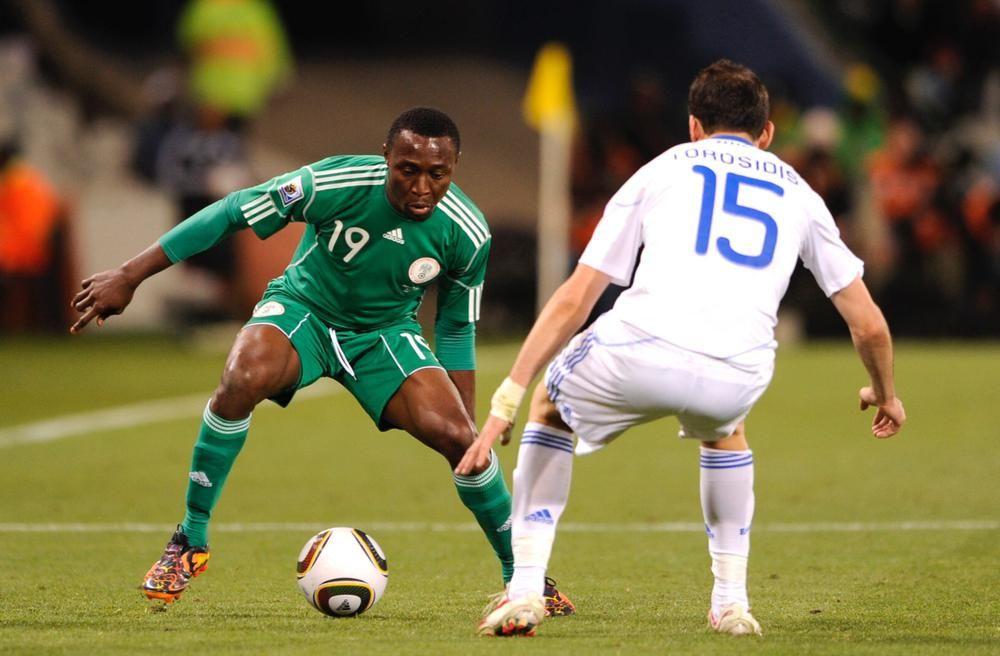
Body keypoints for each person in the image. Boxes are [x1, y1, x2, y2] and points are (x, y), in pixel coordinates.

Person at [458, 61, 906, 638]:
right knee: (727, 427)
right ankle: (731, 604)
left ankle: (524, 589)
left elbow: (577, 297)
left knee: (549, 404)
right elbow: (869, 326)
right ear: (767, 133)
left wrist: (506, 399)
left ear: (694, 125)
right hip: (739, 371)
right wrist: (886, 393)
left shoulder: (661, 169)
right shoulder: (801, 193)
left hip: (638, 351)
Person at [70, 107, 572, 615]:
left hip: (384, 337)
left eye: (437, 174)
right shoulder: (336, 181)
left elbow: (456, 327)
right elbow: (234, 211)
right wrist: (131, 274)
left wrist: (470, 426)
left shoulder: (466, 232)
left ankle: (524, 579)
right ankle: (190, 540)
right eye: (408, 170)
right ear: (387, 160)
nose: (421, 186)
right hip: (303, 312)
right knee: (241, 378)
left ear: (454, 167)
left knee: (462, 440)